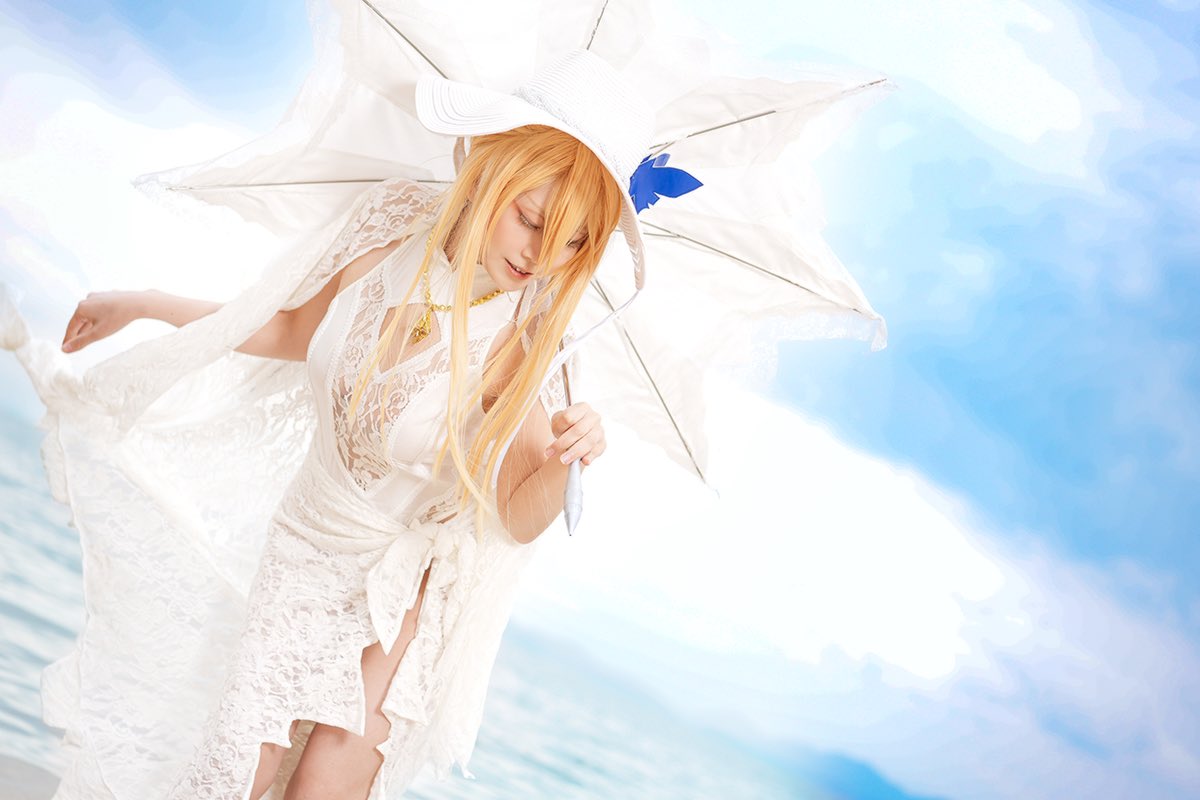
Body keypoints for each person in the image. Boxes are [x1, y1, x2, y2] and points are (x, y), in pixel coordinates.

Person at [29, 50, 656, 799]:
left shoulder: (530, 341)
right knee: (232, 770)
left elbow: (517, 517)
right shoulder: (393, 222)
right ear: (493, 171)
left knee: (315, 787)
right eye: (532, 218)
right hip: (303, 542)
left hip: (397, 594)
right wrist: (144, 303)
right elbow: (291, 328)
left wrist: (564, 457)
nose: (541, 255)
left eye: (574, 242)